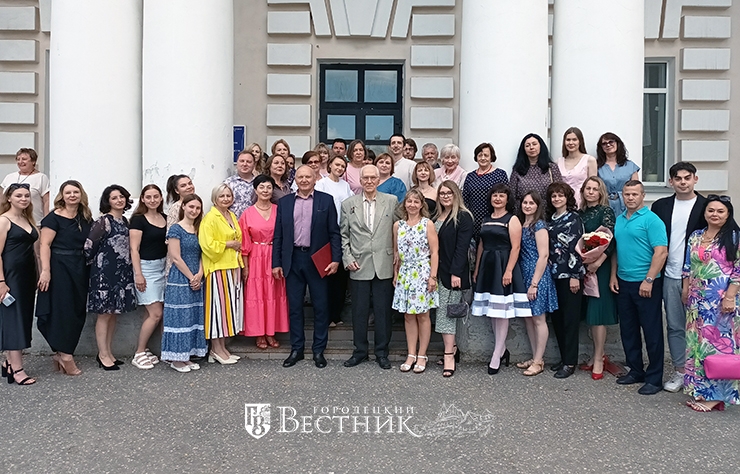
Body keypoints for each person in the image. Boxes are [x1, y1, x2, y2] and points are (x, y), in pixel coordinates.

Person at [273, 165, 341, 369]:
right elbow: (278, 235)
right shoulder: (285, 202)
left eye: (307, 177)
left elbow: (334, 232)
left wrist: (336, 259)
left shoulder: (325, 200)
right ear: (296, 180)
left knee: (321, 307)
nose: (304, 180)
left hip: (317, 260)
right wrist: (276, 263)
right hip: (293, 259)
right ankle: (297, 349)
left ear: (314, 179)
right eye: (300, 177)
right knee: (295, 307)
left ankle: (318, 350)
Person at [652, 163, 707, 392]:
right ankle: (681, 371)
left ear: (695, 179)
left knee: (702, 327)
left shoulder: (707, 206)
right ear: (671, 181)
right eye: (678, 178)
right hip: (670, 275)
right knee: (675, 326)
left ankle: (704, 373)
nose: (683, 182)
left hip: (700, 278)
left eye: (687, 177)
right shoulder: (660, 206)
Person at [682, 194, 740, 411]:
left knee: (717, 348)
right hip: (696, 301)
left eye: (720, 211)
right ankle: (700, 390)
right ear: (704, 213)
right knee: (696, 345)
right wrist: (685, 290)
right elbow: (687, 265)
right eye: (711, 210)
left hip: (721, 302)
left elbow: (738, 270)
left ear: (728, 214)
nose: (715, 214)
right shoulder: (696, 235)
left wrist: (730, 296)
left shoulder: (734, 237)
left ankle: (717, 396)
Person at [610, 180, 668, 395]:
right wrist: (613, 275)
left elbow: (661, 252)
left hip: (646, 283)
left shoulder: (652, 220)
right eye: (627, 194)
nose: (630, 198)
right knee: (628, 330)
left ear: (643, 195)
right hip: (623, 282)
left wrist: (649, 279)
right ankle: (635, 370)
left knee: (652, 332)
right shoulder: (619, 220)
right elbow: (616, 250)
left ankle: (654, 378)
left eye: (635, 194)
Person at [341, 165, 398, 370]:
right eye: (365, 178)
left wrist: (398, 257)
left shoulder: (391, 201)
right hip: (359, 264)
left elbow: (398, 230)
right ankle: (360, 351)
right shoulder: (348, 204)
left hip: (384, 263)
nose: (369, 181)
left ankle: (382, 352)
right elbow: (344, 235)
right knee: (359, 311)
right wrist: (347, 257)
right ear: (360, 180)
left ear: (378, 179)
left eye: (373, 177)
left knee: (383, 312)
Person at [36, 180, 92, 376]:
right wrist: (45, 271)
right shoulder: (53, 218)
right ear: (62, 195)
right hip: (59, 267)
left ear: (81, 194)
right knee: (63, 310)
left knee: (77, 310)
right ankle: (66, 355)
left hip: (80, 268)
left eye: (75, 192)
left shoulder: (85, 217)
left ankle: (61, 353)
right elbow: (44, 245)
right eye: (68, 192)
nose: (72, 195)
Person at [472, 184, 529, 375]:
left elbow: (516, 247)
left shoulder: (512, 219)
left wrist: (509, 270)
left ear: (507, 199)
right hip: (487, 265)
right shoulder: (486, 219)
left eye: (501, 196)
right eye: (494, 195)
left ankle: (497, 353)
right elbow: (481, 244)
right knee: (492, 310)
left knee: (501, 311)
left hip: (503, 264)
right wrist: (477, 269)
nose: (497, 198)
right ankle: (502, 349)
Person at [85, 185, 137, 371]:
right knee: (104, 314)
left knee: (114, 313)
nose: (119, 200)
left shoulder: (124, 221)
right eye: (114, 198)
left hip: (121, 273)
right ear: (107, 201)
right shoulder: (103, 221)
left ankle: (108, 352)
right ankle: (102, 354)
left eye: (121, 196)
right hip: (104, 274)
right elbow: (89, 246)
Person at [393, 189, 439, 374]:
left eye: (416, 202)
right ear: (405, 204)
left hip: (422, 272)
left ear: (421, 205)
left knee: (422, 315)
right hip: (405, 273)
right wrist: (395, 273)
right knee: (408, 315)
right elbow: (396, 252)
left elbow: (435, 252)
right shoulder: (398, 225)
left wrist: (433, 276)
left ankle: (422, 354)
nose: (412, 205)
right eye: (409, 201)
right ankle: (411, 353)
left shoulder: (427, 224)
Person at [239, 175, 288, 349]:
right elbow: (244, 242)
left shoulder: (279, 210)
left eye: (268, 187)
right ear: (255, 190)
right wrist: (245, 266)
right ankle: (259, 333)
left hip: (275, 256)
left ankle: (271, 332)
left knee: (274, 294)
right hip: (255, 257)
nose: (265, 191)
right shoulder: (247, 213)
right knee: (257, 295)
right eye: (261, 187)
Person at [161, 194, 207, 373]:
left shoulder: (199, 228)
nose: (194, 210)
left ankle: (186, 356)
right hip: (181, 277)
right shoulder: (176, 229)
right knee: (180, 318)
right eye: (191, 207)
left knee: (192, 317)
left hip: (197, 275)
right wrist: (191, 277)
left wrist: (200, 274)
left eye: (197, 208)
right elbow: (175, 257)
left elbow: (203, 254)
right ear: (184, 207)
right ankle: (176, 359)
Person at [199, 183, 244, 365]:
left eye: (228, 196)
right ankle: (215, 349)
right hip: (217, 267)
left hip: (232, 265)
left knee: (227, 310)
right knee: (217, 311)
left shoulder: (231, 215)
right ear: (215, 199)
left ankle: (222, 348)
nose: (225, 199)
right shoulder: (210, 218)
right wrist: (228, 244)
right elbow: (207, 245)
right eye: (222, 196)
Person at [433, 181, 474, 377]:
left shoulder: (463, 216)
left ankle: (448, 355)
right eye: (442, 193)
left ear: (456, 194)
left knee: (446, 314)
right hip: (436, 272)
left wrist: (456, 273)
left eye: (449, 193)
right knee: (442, 312)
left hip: (452, 273)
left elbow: (462, 247)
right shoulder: (436, 216)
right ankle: (453, 348)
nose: (445, 196)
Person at [578, 177, 617, 380]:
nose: (591, 192)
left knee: (598, 312)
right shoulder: (579, 213)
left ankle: (600, 358)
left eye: (595, 189)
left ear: (601, 192)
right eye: (588, 188)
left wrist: (598, 262)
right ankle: (596, 355)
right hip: (584, 266)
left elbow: (610, 239)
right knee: (589, 315)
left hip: (599, 267)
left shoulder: (605, 212)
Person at [0, 183, 39, 385]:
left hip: (27, 276)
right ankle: (17, 370)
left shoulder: (26, 218)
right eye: (18, 195)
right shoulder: (3, 220)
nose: (23, 199)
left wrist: (40, 273)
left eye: (26, 195)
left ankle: (8, 362)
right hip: (11, 276)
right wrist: (1, 281)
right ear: (9, 198)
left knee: (22, 319)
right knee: (13, 320)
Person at [515, 191, 557, 377]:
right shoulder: (522, 223)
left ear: (538, 206)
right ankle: (534, 357)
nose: (527, 206)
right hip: (524, 273)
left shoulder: (539, 225)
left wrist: (534, 284)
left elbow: (544, 255)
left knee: (539, 319)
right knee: (529, 318)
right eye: (525, 202)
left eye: (531, 203)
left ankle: (539, 360)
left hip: (536, 274)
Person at [546, 182, 584, 379]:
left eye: (560, 195)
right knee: (558, 319)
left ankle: (570, 362)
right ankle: (563, 358)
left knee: (570, 320)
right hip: (553, 275)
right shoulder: (550, 219)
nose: (557, 199)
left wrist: (575, 276)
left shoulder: (574, 218)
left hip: (569, 275)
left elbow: (577, 248)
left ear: (567, 197)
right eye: (553, 196)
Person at [129, 184, 167, 370]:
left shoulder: (165, 218)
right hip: (146, 268)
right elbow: (134, 249)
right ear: (143, 199)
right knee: (156, 313)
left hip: (163, 267)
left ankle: (146, 350)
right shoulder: (138, 220)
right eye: (149, 197)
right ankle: (138, 353)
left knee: (151, 312)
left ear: (161, 198)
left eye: (156, 196)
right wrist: (138, 274)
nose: (152, 200)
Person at [315, 156, 354, 327]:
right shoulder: (322, 184)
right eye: (337, 164)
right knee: (325, 276)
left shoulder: (345, 186)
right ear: (330, 165)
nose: (339, 168)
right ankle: (325, 315)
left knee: (340, 279)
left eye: (343, 166)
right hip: (324, 234)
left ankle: (336, 315)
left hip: (342, 232)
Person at [462, 142, 509, 240]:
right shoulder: (470, 176)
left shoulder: (500, 174)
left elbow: (507, 197)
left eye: (486, 155)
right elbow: (465, 199)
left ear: (491, 157)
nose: (483, 158)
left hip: (494, 218)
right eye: (480, 155)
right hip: (473, 220)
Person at [509, 133, 563, 210]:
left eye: (534, 144)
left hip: (547, 212)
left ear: (541, 146)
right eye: (527, 145)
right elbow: (512, 195)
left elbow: (560, 191)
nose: (531, 147)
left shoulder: (552, 168)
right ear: (523, 149)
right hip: (523, 212)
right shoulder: (517, 169)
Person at [1, 148, 50, 224]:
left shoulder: (41, 177)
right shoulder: (9, 177)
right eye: (18, 159)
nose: (20, 162)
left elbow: (46, 201)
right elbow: (2, 198)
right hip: (10, 222)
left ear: (33, 161)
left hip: (33, 222)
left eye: (24, 159)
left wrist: (47, 221)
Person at [596, 132, 639, 216]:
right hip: (604, 205)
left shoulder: (630, 166)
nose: (608, 145)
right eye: (604, 144)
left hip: (626, 205)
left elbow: (636, 189)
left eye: (611, 142)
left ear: (618, 143)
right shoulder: (597, 166)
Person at [557, 127, 597, 207]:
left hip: (582, 203)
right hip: (563, 203)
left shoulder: (589, 160)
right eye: (568, 140)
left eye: (574, 139)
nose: (571, 143)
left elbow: (593, 185)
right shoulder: (558, 162)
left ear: (580, 141)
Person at [225, 149, 258, 219]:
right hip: (234, 223)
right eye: (242, 161)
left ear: (254, 164)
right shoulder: (228, 183)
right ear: (237, 163)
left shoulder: (259, 183)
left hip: (254, 223)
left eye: (249, 162)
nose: (245, 164)